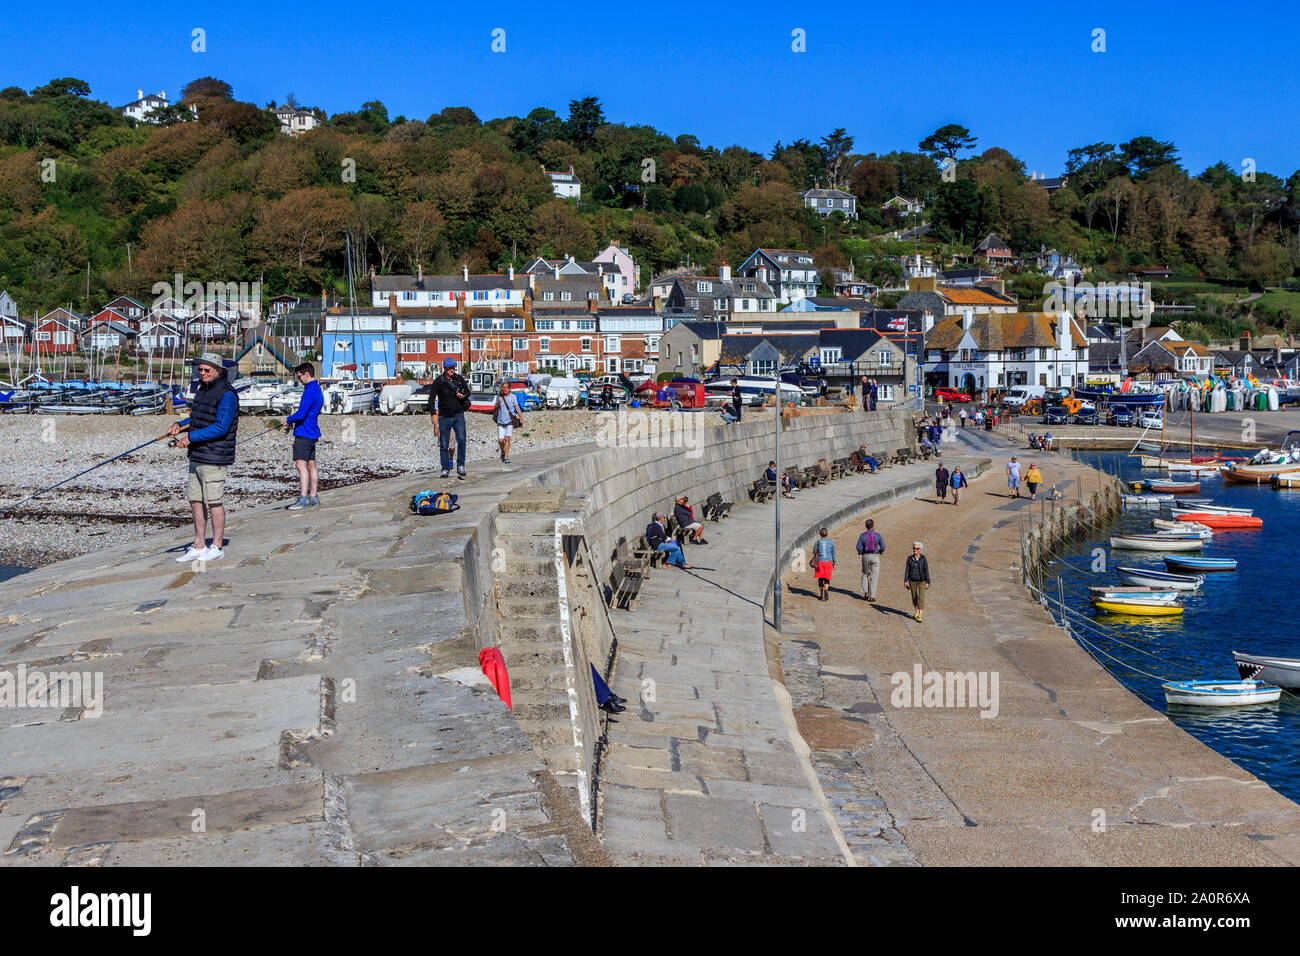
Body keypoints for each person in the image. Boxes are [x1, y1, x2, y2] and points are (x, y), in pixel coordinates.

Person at [168, 353, 239, 563]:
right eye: (200, 369)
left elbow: (221, 427)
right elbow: (196, 418)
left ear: (218, 370)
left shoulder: (227, 394)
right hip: (197, 455)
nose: (202, 373)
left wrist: (189, 438)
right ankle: (199, 545)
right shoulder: (202, 389)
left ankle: (217, 546)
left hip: (215, 456)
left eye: (207, 370)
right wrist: (179, 425)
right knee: (195, 501)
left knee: (214, 502)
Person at [285, 361, 323, 510]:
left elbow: (301, 414)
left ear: (307, 375)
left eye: (299, 376)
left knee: (300, 465)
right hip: (312, 432)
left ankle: (303, 498)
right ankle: (313, 496)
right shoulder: (317, 389)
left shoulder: (309, 391)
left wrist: (288, 420)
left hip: (304, 433)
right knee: (311, 464)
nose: (299, 380)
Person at [430, 357, 471, 479]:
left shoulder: (459, 379)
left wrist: (463, 395)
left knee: (462, 440)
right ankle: (445, 468)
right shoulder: (439, 381)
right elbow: (431, 398)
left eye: (453, 367)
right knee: (444, 444)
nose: (452, 370)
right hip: (444, 416)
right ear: (445, 368)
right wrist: (433, 414)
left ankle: (460, 465)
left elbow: (468, 392)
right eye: (450, 368)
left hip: (458, 414)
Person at [492, 382, 523, 464]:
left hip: (510, 421)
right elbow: (495, 407)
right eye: (503, 387)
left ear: (509, 388)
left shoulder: (513, 397)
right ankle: (502, 451)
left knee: (507, 439)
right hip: (500, 421)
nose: (504, 389)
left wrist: (521, 417)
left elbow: (517, 407)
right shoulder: (499, 396)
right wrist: (498, 402)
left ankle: (506, 457)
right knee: (501, 440)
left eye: (506, 387)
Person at [856, 518, 884, 602]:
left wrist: (861, 552)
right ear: (873, 526)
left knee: (865, 574)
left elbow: (858, 547)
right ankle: (872, 596)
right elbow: (883, 547)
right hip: (875, 556)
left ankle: (866, 593)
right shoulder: (877, 535)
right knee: (874, 576)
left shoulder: (862, 535)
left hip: (865, 556)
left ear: (866, 526)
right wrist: (879, 552)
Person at [904, 541, 930, 622]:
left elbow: (926, 570)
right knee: (914, 597)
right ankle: (916, 611)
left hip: (922, 581)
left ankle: (920, 615)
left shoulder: (923, 558)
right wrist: (905, 580)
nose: (915, 550)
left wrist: (928, 582)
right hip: (912, 581)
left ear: (920, 549)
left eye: (917, 548)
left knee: (921, 597)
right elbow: (907, 570)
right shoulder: (910, 558)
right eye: (914, 548)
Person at [812, 527, 835, 601]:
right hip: (828, 562)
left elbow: (814, 551)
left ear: (820, 534)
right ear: (827, 534)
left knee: (820, 578)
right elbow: (833, 553)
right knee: (827, 578)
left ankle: (822, 595)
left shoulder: (818, 542)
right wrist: (834, 562)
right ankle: (826, 589)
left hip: (820, 562)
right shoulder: (831, 542)